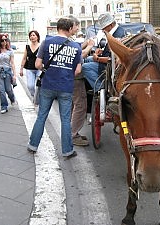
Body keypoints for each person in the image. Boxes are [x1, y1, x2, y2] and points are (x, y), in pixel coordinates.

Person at [27, 17, 82, 158]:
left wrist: (48, 69)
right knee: (65, 120)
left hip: (48, 85)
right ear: (69, 29)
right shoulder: (76, 47)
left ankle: (33, 145)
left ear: (57, 28)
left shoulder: (46, 42)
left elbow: (37, 65)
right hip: (66, 86)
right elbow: (77, 71)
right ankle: (67, 151)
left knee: (41, 116)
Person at [81, 13, 125, 91]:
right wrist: (101, 52)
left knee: (85, 67)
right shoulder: (116, 32)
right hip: (107, 61)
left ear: (111, 25)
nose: (102, 30)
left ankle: (100, 89)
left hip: (111, 67)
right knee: (88, 59)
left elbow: (113, 59)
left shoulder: (117, 36)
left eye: (104, 27)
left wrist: (97, 58)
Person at [69, 16, 95, 146]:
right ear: (70, 26)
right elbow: (80, 55)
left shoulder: (67, 40)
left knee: (74, 105)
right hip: (75, 77)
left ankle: (73, 132)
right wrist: (90, 46)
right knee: (80, 105)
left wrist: (85, 43)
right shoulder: (68, 40)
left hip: (69, 77)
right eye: (76, 26)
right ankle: (73, 135)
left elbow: (77, 47)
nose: (78, 28)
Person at [20, 30, 41, 99]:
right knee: (30, 86)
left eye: (34, 35)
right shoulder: (27, 47)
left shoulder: (41, 46)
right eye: (31, 35)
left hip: (39, 69)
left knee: (39, 86)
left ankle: (37, 100)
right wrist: (21, 69)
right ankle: (34, 97)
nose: (32, 37)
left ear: (37, 37)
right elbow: (24, 58)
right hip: (29, 69)